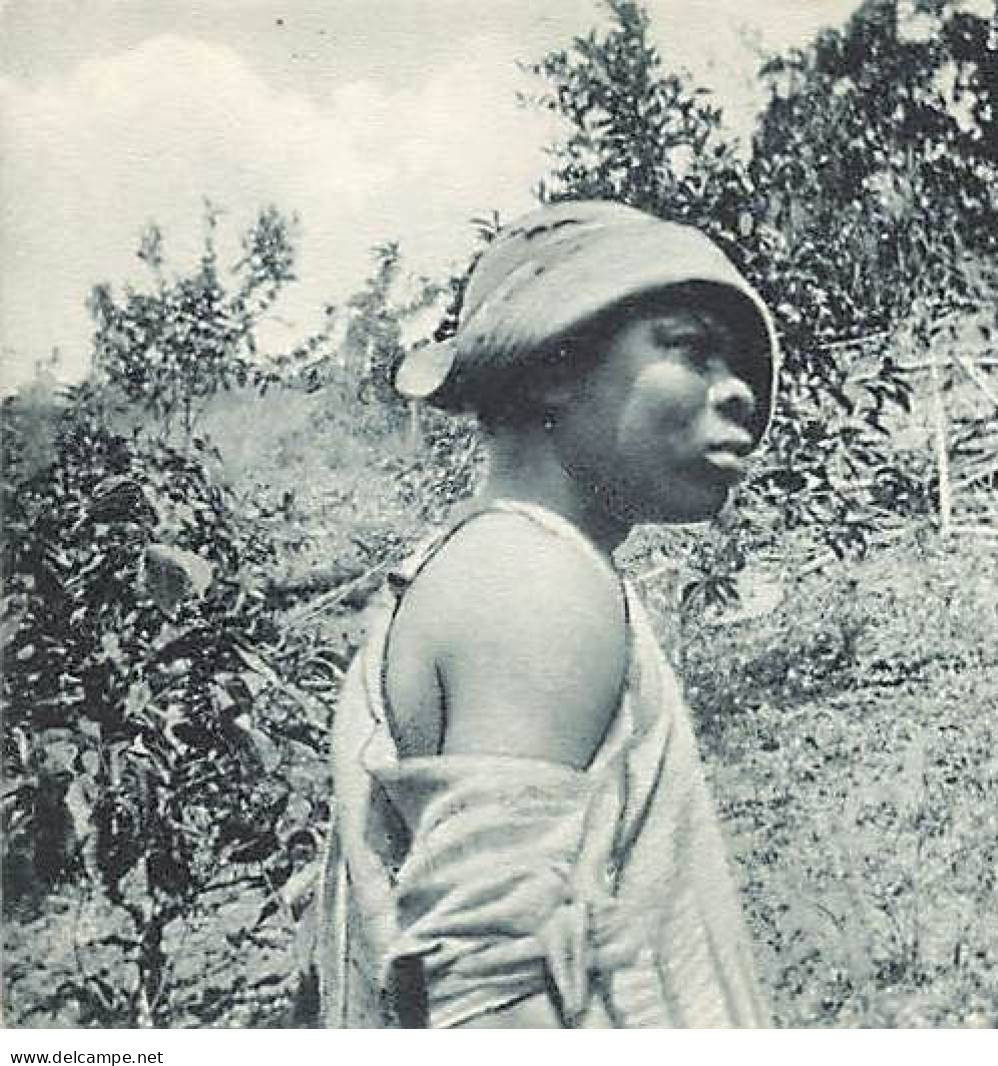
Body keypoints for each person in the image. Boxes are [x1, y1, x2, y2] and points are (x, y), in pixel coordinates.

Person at [294, 201, 778, 1028]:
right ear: (553, 364)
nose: (739, 392)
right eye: (691, 350)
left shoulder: (496, 565)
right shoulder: (533, 581)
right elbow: (496, 1007)